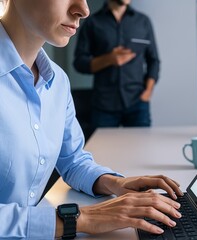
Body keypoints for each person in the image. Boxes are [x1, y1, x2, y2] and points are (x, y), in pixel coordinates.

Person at [0, 0, 182, 238]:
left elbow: (73, 160)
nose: (83, 10)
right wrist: (81, 219)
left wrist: (115, 184)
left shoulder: (58, 82)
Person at [73, 0, 160, 128]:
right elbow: (79, 63)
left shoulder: (143, 21)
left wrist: (148, 91)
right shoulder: (92, 22)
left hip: (137, 102)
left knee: (141, 147)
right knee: (102, 148)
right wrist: (109, 59)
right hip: (103, 104)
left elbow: (154, 60)